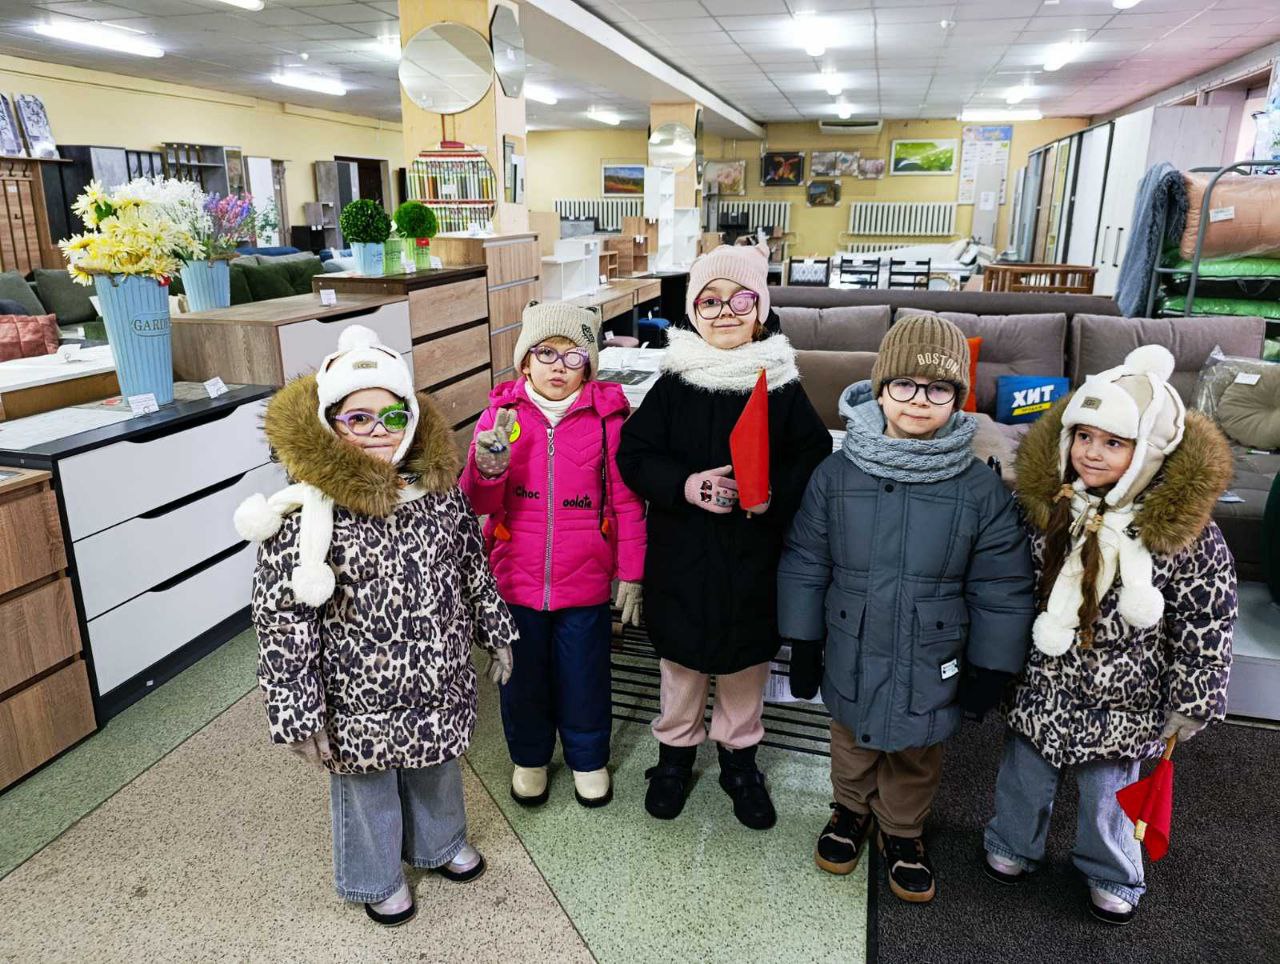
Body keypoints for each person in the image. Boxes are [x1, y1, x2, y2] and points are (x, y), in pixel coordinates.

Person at [234, 325, 518, 927]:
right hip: (354, 693)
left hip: (438, 675)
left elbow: (471, 564)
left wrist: (495, 629)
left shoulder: (436, 495)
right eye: (357, 419)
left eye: (392, 416)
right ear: (329, 420)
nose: (377, 432)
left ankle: (440, 843)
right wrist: (298, 711)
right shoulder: (303, 515)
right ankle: (376, 875)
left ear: (411, 419)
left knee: (437, 764)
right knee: (367, 787)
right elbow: (281, 622)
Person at [778, 313, 1036, 904]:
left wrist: (991, 664)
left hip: (932, 647)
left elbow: (1001, 584)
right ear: (880, 389)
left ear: (957, 398)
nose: (919, 400)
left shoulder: (979, 487)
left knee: (917, 747)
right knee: (851, 734)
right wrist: (803, 638)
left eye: (938, 388)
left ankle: (903, 829)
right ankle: (850, 810)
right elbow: (807, 559)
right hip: (851, 638)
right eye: (905, 385)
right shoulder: (836, 473)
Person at [983, 344, 1236, 925]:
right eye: (1084, 436)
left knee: (1110, 796)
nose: (1092, 453)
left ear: (1148, 451)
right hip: (1043, 682)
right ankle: (1011, 842)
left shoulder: (1186, 535)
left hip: (1127, 696)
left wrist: (1192, 698)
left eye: (1114, 443)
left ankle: (1111, 870)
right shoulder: (1045, 509)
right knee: (1023, 777)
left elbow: (1206, 619)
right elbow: (1008, 584)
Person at [616, 241, 831, 829]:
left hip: (752, 560)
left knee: (743, 670)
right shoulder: (675, 379)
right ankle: (674, 759)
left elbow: (814, 456)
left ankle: (740, 763)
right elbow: (634, 455)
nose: (725, 312)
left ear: (760, 309)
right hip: (682, 557)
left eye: (740, 299)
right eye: (709, 301)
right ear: (692, 311)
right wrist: (685, 485)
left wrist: (771, 495)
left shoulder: (781, 382)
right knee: (680, 668)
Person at [460, 301, 646, 809]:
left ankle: (588, 759)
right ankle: (530, 758)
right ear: (525, 361)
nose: (558, 366)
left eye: (572, 356)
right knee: (522, 679)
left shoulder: (608, 420)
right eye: (546, 353)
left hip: (585, 582)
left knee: (585, 677)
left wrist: (632, 573)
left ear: (588, 365)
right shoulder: (500, 416)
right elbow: (477, 502)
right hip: (515, 581)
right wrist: (488, 468)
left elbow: (627, 503)